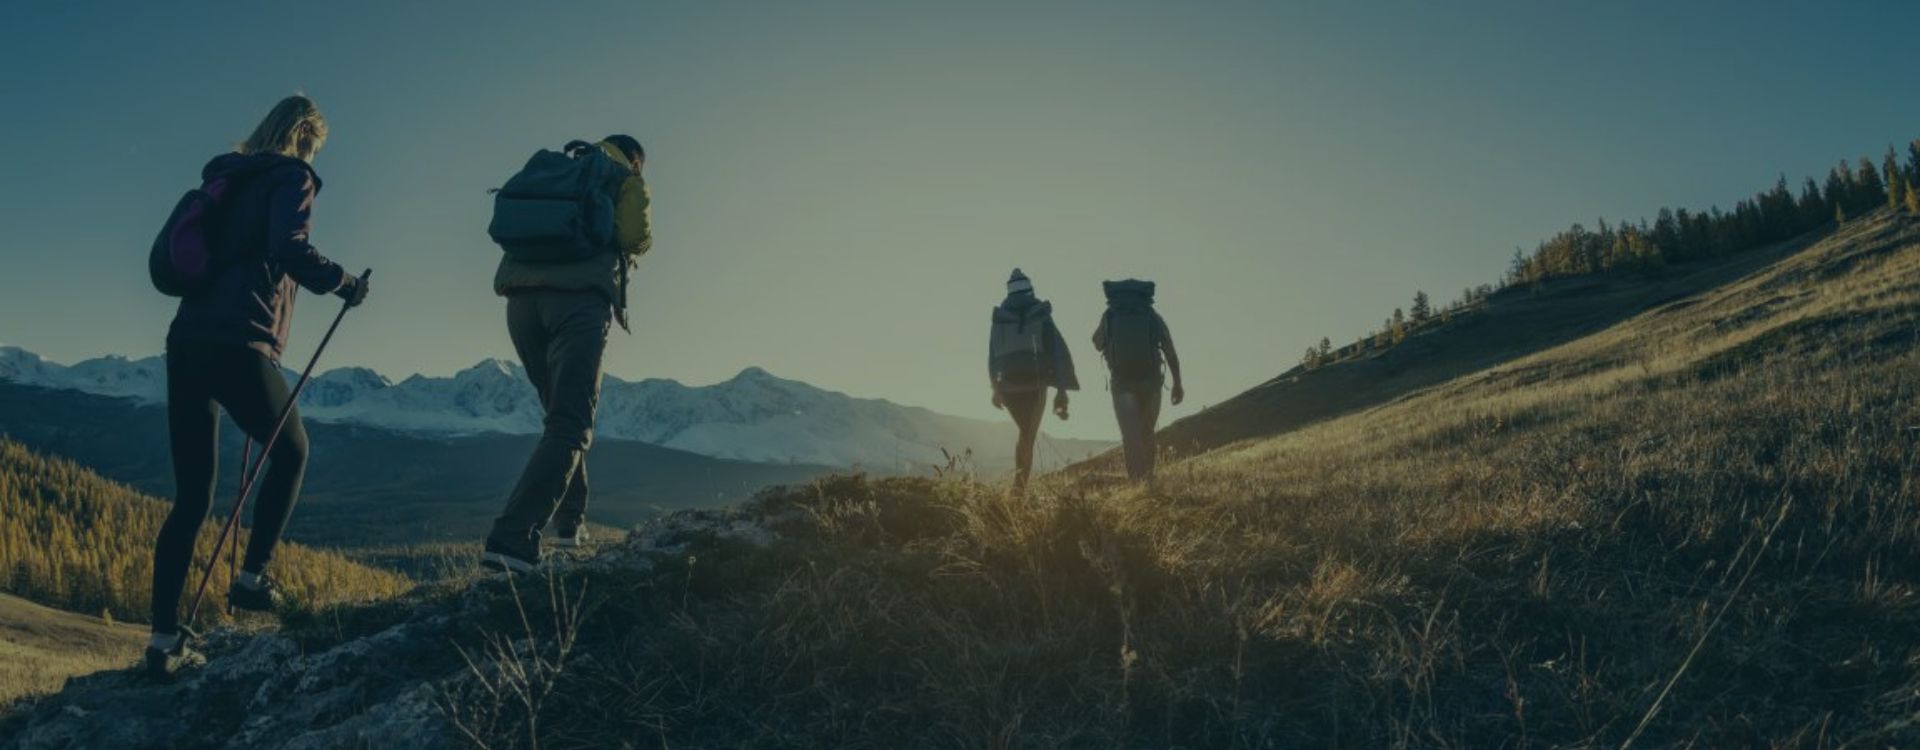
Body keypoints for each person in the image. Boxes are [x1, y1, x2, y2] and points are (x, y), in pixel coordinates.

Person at [147, 95, 371, 677]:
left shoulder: (226, 175)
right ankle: (252, 581)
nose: (316, 156)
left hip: (188, 338)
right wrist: (343, 282)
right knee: (293, 450)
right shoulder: (293, 176)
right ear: (303, 135)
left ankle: (163, 640)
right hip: (238, 339)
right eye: (316, 146)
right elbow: (288, 248)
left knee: (192, 498)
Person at [484, 135, 652, 573]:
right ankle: (512, 540)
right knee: (571, 424)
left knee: (558, 418)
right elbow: (635, 236)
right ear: (636, 161)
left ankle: (568, 523)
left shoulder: (558, 167)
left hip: (520, 304)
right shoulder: (626, 178)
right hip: (577, 303)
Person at [988, 269, 1078, 493]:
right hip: (1036, 385)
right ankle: (1018, 490)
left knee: (1024, 432)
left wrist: (995, 388)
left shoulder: (1000, 318)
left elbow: (992, 356)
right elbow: (1057, 351)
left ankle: (1019, 488)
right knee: (1027, 433)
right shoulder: (1041, 314)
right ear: (1030, 289)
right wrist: (1061, 390)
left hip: (1008, 386)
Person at [1092, 279, 1182, 481]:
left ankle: (1135, 482)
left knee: (1130, 435)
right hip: (1150, 383)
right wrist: (1177, 383)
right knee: (1147, 432)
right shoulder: (1151, 316)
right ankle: (1148, 478)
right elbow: (1170, 351)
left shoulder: (1110, 316)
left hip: (1122, 383)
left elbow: (1097, 343)